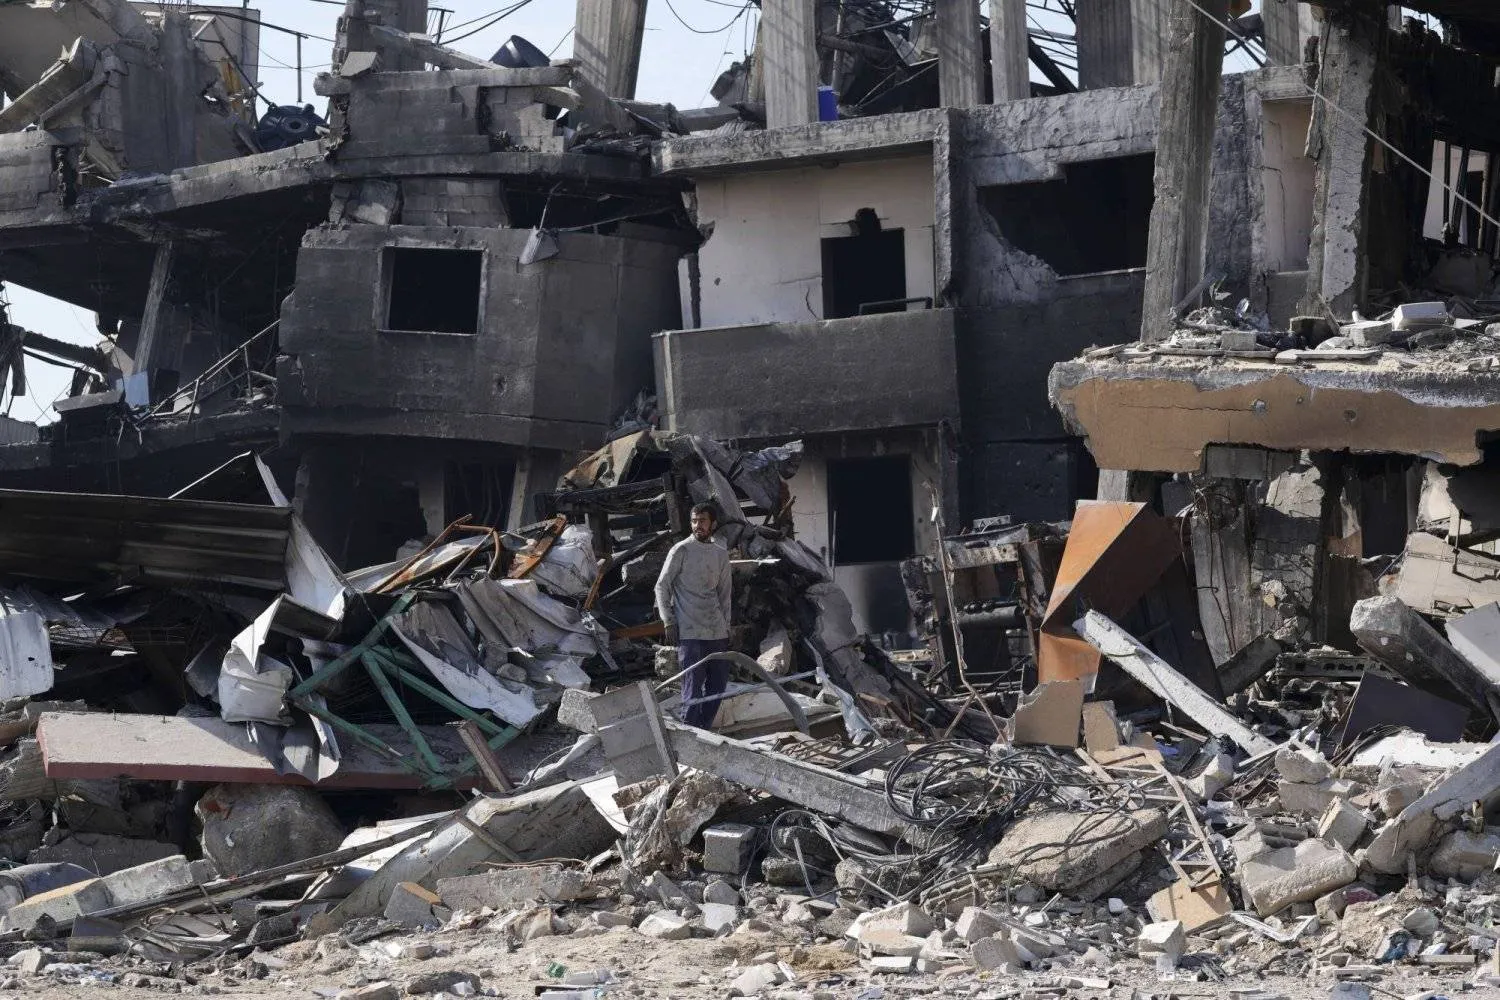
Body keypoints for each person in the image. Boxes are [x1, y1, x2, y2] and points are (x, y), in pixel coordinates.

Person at [654, 501, 733, 728]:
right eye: (694, 521)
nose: (698, 525)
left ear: (713, 524)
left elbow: (725, 594)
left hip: (716, 629)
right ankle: (690, 731)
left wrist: (727, 626)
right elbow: (662, 586)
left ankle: (703, 729)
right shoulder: (681, 550)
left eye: (703, 521)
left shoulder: (720, 554)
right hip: (689, 630)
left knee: (718, 687)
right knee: (693, 685)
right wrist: (668, 621)